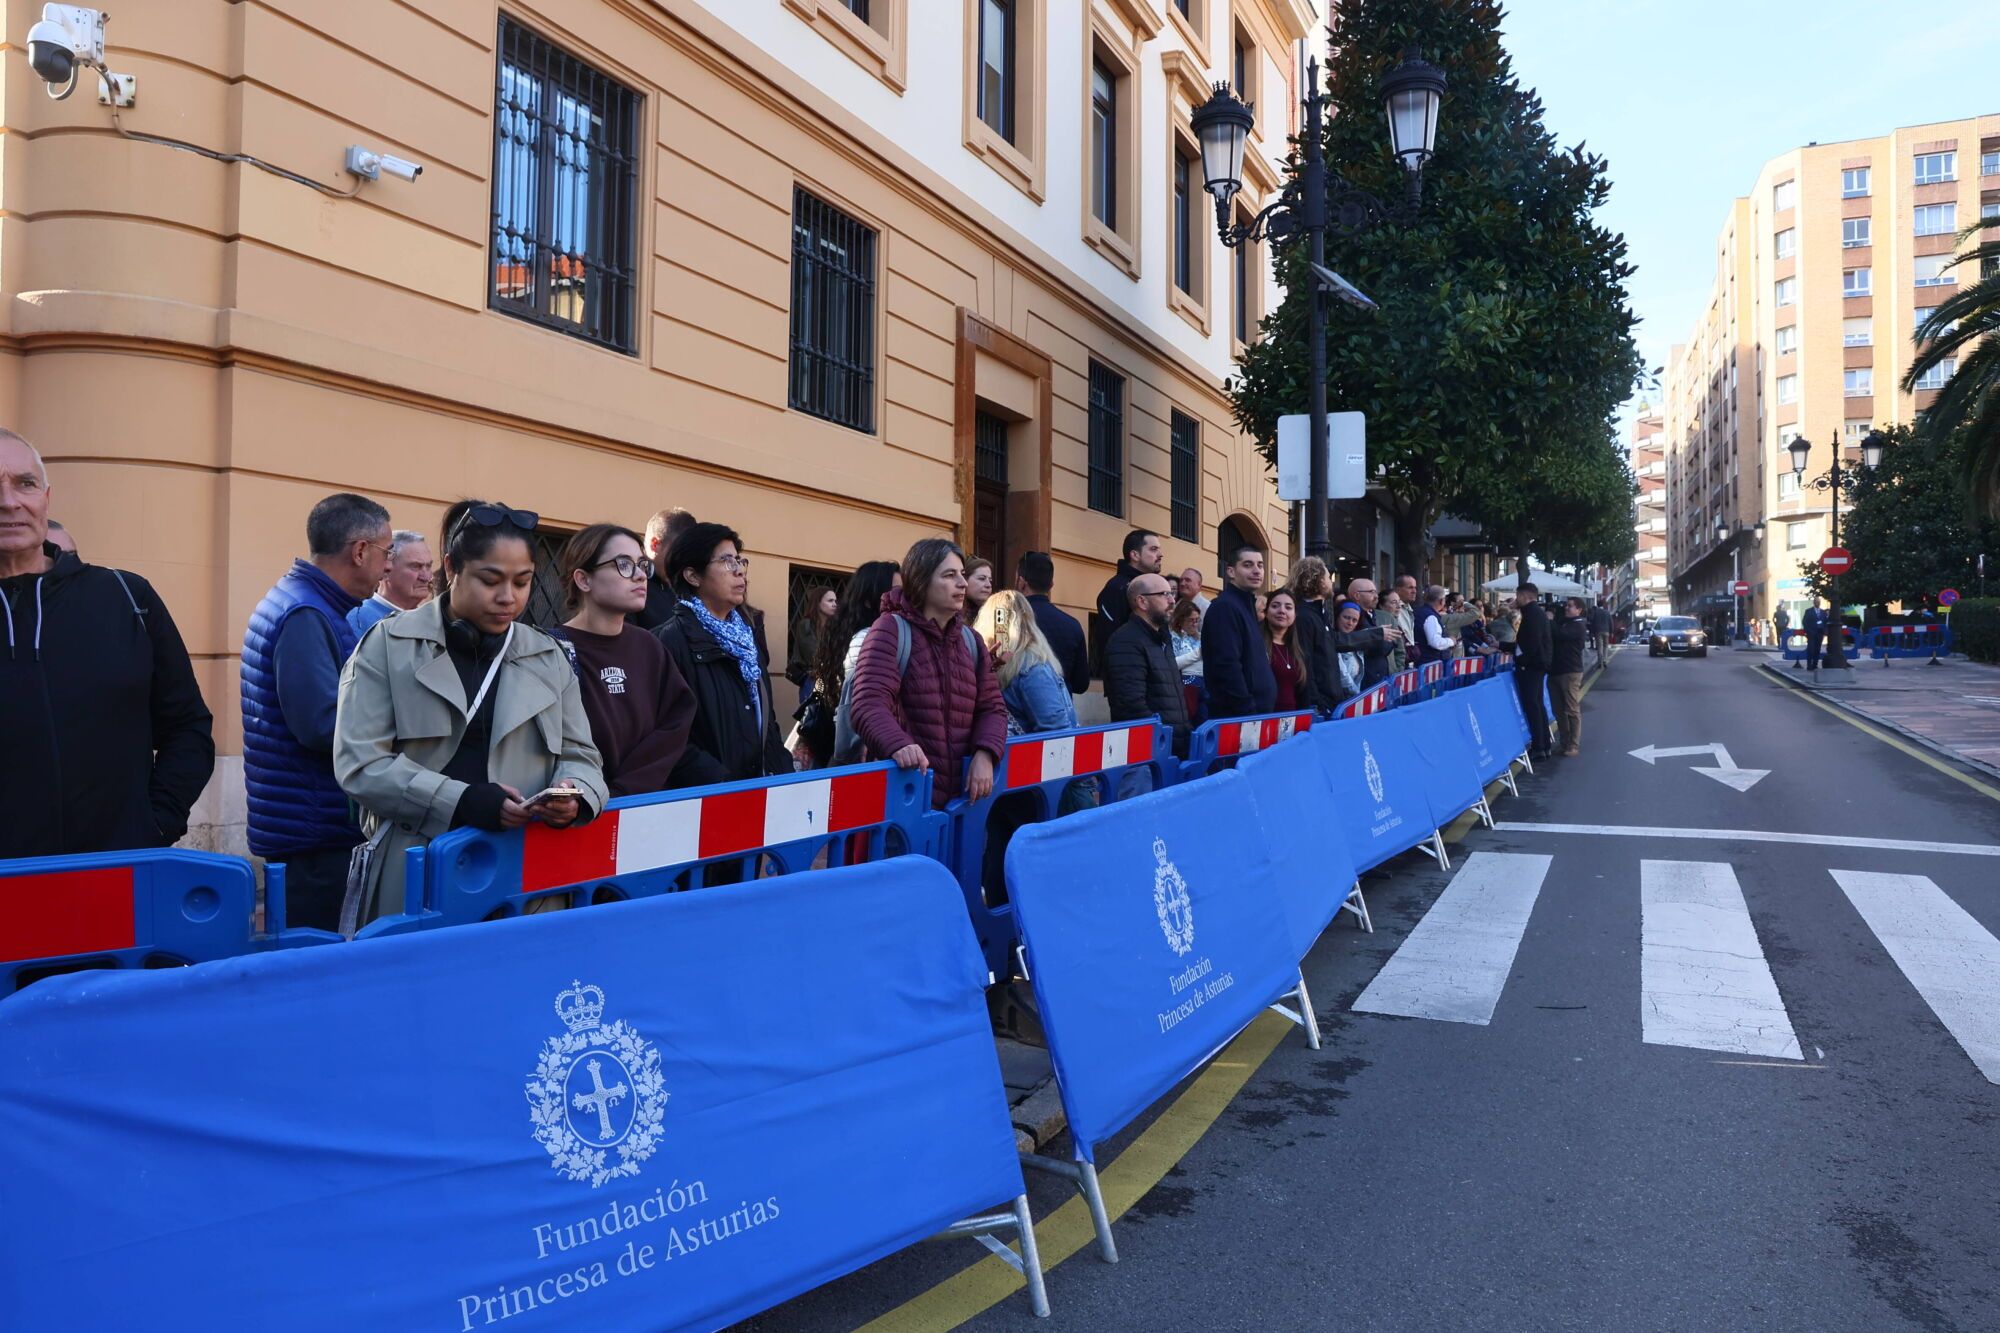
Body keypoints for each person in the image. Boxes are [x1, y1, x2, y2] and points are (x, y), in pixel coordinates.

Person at [335, 500, 604, 926]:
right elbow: (359, 763)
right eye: (490, 580)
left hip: (525, 880)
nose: (508, 597)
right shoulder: (386, 645)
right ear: (451, 568)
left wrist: (576, 795)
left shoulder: (548, 656)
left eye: (523, 582)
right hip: (416, 874)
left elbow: (582, 755)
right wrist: (460, 801)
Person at [1, 429, 215, 859]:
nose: (8, 502)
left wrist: (153, 825)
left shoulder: (127, 597)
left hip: (117, 869)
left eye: (25, 483)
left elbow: (187, 727)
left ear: (46, 498)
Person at [242, 492, 391, 931]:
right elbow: (322, 725)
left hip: (306, 824)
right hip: (314, 834)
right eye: (386, 553)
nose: (387, 567)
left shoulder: (307, 603)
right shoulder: (306, 612)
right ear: (360, 551)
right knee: (320, 956)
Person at [848, 538, 1007, 807]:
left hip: (962, 801)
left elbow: (993, 707)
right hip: (906, 799)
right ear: (922, 581)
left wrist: (986, 752)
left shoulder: (971, 640)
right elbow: (868, 702)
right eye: (949, 575)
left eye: (962, 574)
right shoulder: (889, 630)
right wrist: (898, 744)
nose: (962, 583)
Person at [550, 523, 696, 797]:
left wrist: (625, 789)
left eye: (642, 565)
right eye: (624, 565)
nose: (640, 575)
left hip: (646, 805)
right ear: (583, 580)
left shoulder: (649, 646)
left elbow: (675, 724)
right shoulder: (550, 650)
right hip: (579, 806)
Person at [653, 522, 789, 785]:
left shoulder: (747, 637)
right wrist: (722, 783)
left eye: (739, 561)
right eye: (726, 561)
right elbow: (667, 737)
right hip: (711, 797)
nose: (739, 571)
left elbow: (767, 721)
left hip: (761, 790)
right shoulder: (667, 643)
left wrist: (781, 771)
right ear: (693, 576)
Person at [821, 560, 902, 765]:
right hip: (871, 754)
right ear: (869, 600)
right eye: (895, 591)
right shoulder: (868, 639)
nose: (902, 598)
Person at [1104, 572, 1194, 758]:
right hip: (1148, 754)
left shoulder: (1163, 638)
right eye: (1164, 594)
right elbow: (1131, 705)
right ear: (1142, 602)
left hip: (1174, 747)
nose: (1172, 601)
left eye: (1172, 594)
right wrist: (1161, 739)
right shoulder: (1126, 641)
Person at [976, 590, 1078, 737]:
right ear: (1027, 620)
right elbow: (1057, 733)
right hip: (1029, 751)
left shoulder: (981, 666)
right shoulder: (1033, 668)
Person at [1200, 543, 1275, 719]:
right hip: (1239, 718)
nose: (1256, 571)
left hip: (1255, 716)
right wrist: (1247, 711)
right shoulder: (1225, 607)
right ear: (1231, 571)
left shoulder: (1246, 606)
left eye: (1260, 565)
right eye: (1248, 565)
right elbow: (1226, 665)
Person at [1091, 528, 1164, 673]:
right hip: (1130, 676)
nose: (1160, 554)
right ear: (1135, 555)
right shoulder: (1116, 589)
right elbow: (1111, 641)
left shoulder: (1156, 586)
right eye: (1153, 549)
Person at [1016, 550, 1088, 695]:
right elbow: (1081, 684)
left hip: (1018, 704)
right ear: (1051, 584)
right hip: (1060, 704)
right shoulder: (1072, 625)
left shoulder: (1010, 620)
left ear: (1021, 583)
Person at [347, 529, 433, 637]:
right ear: (387, 568)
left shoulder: (431, 620)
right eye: (415, 566)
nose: (426, 577)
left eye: (428, 566)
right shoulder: (357, 619)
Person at [632, 506, 696, 630]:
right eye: (679, 554)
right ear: (655, 544)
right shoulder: (630, 584)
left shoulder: (687, 589)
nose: (685, 562)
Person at [1513, 583, 1555, 760]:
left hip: (1531, 667)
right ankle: (1544, 745)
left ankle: (1539, 746)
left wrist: (1522, 662)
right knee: (1537, 705)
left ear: (1524, 596)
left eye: (1517, 596)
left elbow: (1531, 643)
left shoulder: (1532, 614)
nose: (1516, 599)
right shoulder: (1536, 612)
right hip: (1538, 665)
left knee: (1533, 705)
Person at [1343, 577, 1402, 686]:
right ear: (1357, 595)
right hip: (1364, 683)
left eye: (1376, 592)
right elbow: (1378, 648)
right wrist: (1381, 637)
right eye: (1371, 592)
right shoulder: (1352, 617)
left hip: (1381, 680)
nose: (1376, 596)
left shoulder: (1376, 616)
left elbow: (1393, 645)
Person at [1551, 597, 1588, 757]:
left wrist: (1550, 620)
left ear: (1579, 610)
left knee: (1571, 709)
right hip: (1556, 671)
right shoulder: (1565, 622)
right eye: (1566, 605)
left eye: (1570, 606)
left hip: (1570, 672)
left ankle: (1573, 745)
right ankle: (1564, 743)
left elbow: (1559, 634)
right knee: (1558, 711)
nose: (1566, 608)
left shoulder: (1578, 625)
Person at [785, 585, 838, 692]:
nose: (834, 604)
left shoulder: (833, 627)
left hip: (832, 680)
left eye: (835, 601)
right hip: (813, 680)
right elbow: (814, 655)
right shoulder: (806, 625)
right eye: (830, 601)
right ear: (818, 603)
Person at [1263, 588, 1306, 712]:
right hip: (1265, 717)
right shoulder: (1256, 645)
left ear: (1295, 614)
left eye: (1288, 607)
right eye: (1275, 606)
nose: (1282, 611)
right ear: (1266, 612)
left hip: (1292, 718)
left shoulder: (1299, 650)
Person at [1169, 596, 1204, 722]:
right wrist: (1198, 654)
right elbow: (1173, 664)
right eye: (1191, 620)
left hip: (1205, 683)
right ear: (1180, 620)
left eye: (1197, 620)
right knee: (1190, 718)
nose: (1195, 624)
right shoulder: (1174, 637)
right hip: (1187, 684)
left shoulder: (1200, 637)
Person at [1413, 585, 1457, 665]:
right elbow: (1436, 642)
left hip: (1423, 662)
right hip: (1431, 664)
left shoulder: (1420, 612)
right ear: (1441, 601)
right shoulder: (1430, 617)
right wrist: (1451, 641)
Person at [1334, 602, 1368, 699]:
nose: (1350, 623)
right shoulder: (1332, 640)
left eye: (1354, 620)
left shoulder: (1357, 642)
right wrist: (1358, 696)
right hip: (1340, 697)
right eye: (1346, 617)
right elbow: (1343, 676)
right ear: (1337, 616)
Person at [1379, 590, 1409, 672]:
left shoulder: (1397, 624)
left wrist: (1398, 671)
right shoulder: (1379, 624)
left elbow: (1400, 652)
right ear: (1381, 606)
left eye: (1399, 602)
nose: (1399, 606)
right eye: (1394, 602)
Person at [964, 557, 995, 626]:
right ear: (965, 580)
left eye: (990, 581)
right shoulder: (951, 614)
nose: (988, 585)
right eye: (982, 579)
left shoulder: (996, 613)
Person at [1802, 600, 1827, 672]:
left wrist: (1825, 631)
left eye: (1819, 602)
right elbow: (1804, 622)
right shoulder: (1808, 611)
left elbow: (1825, 622)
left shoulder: (1823, 612)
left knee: (1817, 649)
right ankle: (1809, 665)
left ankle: (1815, 665)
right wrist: (1808, 631)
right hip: (1811, 633)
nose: (1818, 603)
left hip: (1820, 633)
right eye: (1816, 602)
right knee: (1811, 649)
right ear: (1814, 603)